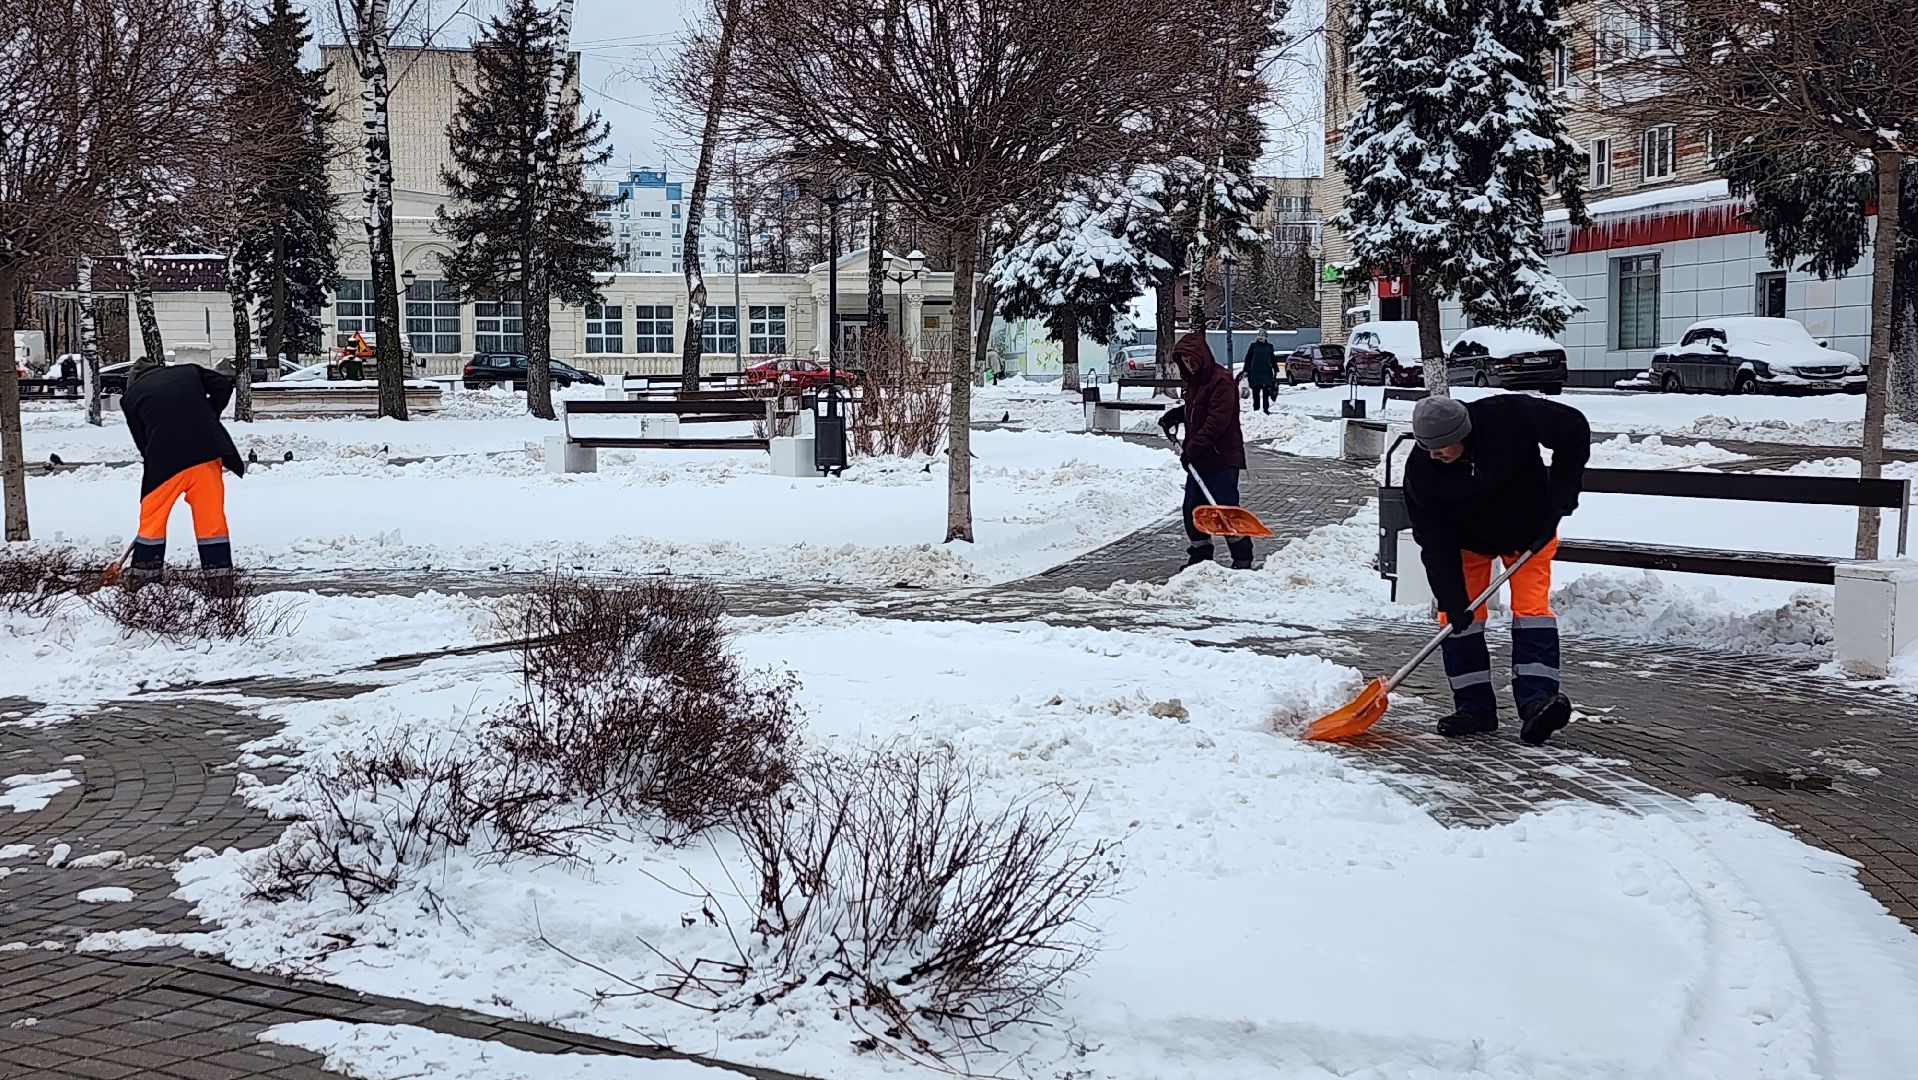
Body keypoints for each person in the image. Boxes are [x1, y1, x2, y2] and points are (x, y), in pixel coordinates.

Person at [1404, 393, 1590, 745]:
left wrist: (1563, 491)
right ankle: (1474, 709)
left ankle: (1538, 703)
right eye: (1427, 447)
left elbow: (1573, 428)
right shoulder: (1422, 473)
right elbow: (1434, 540)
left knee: (1532, 611)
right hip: (1465, 542)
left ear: (1464, 432)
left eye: (1443, 446)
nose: (1435, 454)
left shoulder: (1509, 415)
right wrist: (1452, 598)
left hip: (1530, 530)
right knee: (1457, 620)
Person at [120, 357, 245, 588]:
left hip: (164, 463)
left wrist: (155, 457)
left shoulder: (131, 397)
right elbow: (223, 384)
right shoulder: (189, 371)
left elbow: (142, 441)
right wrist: (207, 418)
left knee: (152, 521)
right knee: (211, 520)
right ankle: (220, 581)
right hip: (206, 454)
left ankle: (144, 580)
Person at [1157, 330, 1254, 570]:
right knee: (1193, 509)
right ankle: (1201, 555)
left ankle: (1242, 556)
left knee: (1224, 510)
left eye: (1192, 360)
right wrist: (1175, 415)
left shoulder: (1221, 381)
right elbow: (1195, 410)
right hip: (1199, 460)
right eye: (1185, 362)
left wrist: (1192, 448)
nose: (1189, 365)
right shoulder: (1193, 383)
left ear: (1202, 357)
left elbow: (1216, 422)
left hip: (1222, 458)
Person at [1242, 329, 1279, 413]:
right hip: (1255, 372)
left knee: (1266, 392)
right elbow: (1248, 358)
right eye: (1259, 335)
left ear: (1266, 337)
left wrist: (1275, 369)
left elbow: (1272, 358)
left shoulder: (1269, 346)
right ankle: (1256, 409)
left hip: (1266, 372)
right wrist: (1245, 370)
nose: (1260, 337)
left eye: (1262, 335)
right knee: (1256, 392)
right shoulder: (1253, 346)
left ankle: (1266, 409)